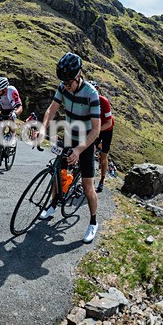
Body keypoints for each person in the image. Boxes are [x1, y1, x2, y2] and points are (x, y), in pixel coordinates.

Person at [39, 52, 101, 243]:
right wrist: (42, 128)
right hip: (69, 136)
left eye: (69, 83)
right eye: (63, 83)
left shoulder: (92, 94)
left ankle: (93, 222)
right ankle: (54, 204)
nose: (66, 86)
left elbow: (96, 130)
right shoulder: (63, 87)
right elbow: (52, 109)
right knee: (58, 171)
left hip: (86, 142)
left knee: (87, 186)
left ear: (78, 76)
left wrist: (79, 151)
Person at [90, 81, 114, 193]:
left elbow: (109, 123)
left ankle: (102, 180)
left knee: (103, 156)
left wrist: (97, 130)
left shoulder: (103, 101)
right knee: (89, 149)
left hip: (107, 129)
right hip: (96, 127)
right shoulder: (87, 100)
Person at [0, 76, 23, 146]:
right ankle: (1, 148)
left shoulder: (12, 91)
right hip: (4, 108)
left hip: (13, 108)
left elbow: (20, 107)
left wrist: (15, 114)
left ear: (5, 89)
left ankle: (13, 135)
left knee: (10, 120)